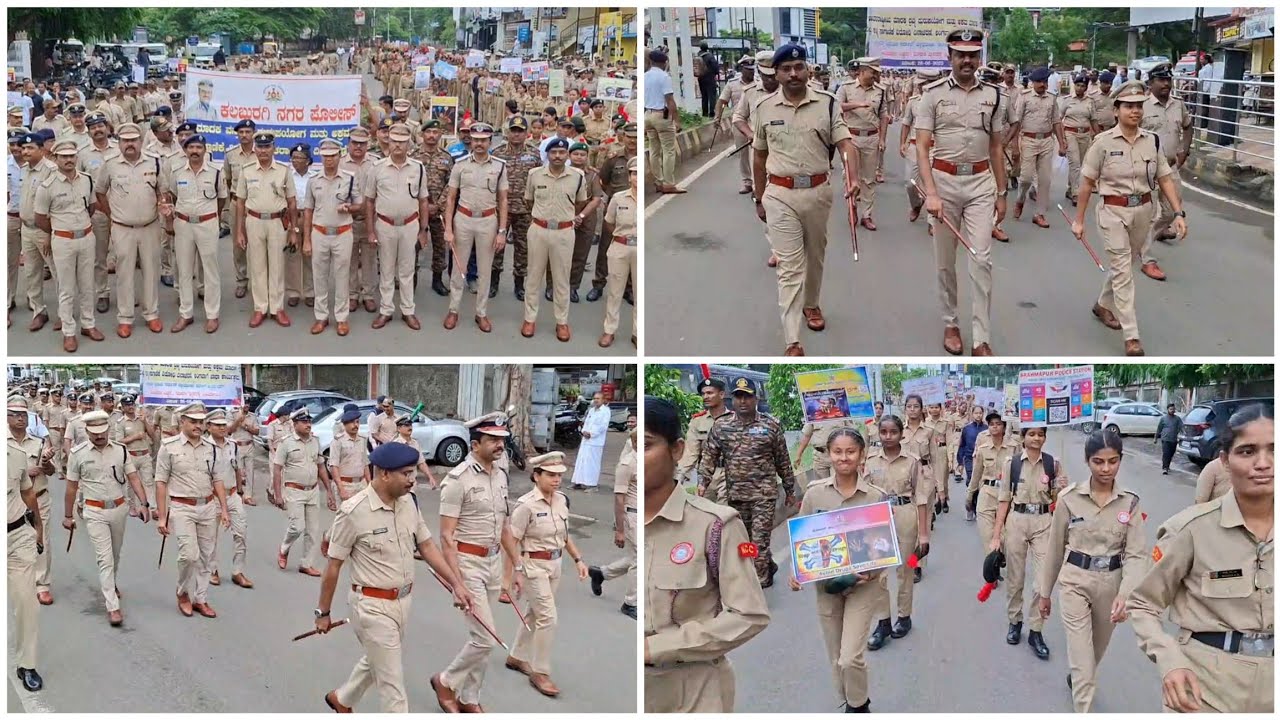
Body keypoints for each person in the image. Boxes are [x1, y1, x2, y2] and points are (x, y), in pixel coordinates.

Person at [1127, 404, 1273, 713]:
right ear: (1224, 460)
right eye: (1247, 451)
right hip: (1204, 690)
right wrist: (1169, 660)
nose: (1263, 463)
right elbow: (1142, 603)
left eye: (1274, 450)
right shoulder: (1190, 530)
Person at [316, 442, 474, 713]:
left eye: (414, 472)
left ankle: (342, 699)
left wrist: (456, 584)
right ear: (384, 474)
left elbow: (427, 546)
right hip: (371, 607)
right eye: (406, 473)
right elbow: (333, 567)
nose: (413, 479)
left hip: (402, 603)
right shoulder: (354, 512)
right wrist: (323, 612)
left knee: (377, 659)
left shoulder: (408, 502)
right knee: (393, 687)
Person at [644, 396, 770, 712]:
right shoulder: (716, 427)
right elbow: (709, 457)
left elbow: (749, 615)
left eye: (644, 446)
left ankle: (764, 570)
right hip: (726, 491)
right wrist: (702, 483)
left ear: (675, 449)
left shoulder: (715, 525)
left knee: (757, 544)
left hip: (692, 691)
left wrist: (655, 647)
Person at [752, 44, 857, 357]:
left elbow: (846, 144)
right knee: (789, 266)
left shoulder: (827, 103)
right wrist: (759, 197)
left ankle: (812, 304)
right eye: (786, 69)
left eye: (799, 67)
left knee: (815, 255)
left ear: (808, 70)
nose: (793, 74)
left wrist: (852, 178)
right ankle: (792, 339)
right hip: (779, 194)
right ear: (777, 73)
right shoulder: (764, 107)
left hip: (817, 191)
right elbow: (759, 157)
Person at [1072, 79, 1188, 357]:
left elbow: (1165, 177)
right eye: (1128, 106)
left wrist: (1178, 212)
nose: (1135, 111)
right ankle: (1131, 335)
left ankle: (1102, 304)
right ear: (1116, 110)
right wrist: (1079, 220)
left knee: (1125, 263)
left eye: (1138, 106)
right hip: (1112, 212)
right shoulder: (1102, 143)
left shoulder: (1152, 141)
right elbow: (1086, 184)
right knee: (1124, 271)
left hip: (1143, 212)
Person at [1037, 430, 1149, 712]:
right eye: (1098, 461)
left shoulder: (1130, 503)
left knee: (1094, 653)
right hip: (1074, 582)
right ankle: (1083, 700)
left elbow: (1136, 554)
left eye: (1113, 461)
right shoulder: (1069, 499)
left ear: (1120, 460)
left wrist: (1126, 594)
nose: (1106, 469)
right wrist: (1044, 593)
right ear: (1087, 461)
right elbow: (1054, 550)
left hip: (1111, 586)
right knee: (1082, 660)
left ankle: (1079, 677)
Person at [915, 27, 1008, 356]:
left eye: (972, 55)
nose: (967, 60)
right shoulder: (932, 95)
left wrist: (1001, 192)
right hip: (944, 183)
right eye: (960, 55)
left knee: (981, 259)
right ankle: (951, 322)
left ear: (979, 57)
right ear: (950, 57)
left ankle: (981, 338)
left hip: (981, 182)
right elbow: (922, 146)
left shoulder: (995, 96)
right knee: (945, 262)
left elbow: (996, 147)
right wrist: (931, 193)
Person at [790, 428, 886, 712]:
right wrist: (796, 570)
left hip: (863, 586)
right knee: (835, 657)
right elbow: (801, 538)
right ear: (829, 454)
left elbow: (883, 546)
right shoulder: (814, 494)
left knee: (850, 657)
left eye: (850, 452)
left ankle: (858, 706)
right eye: (838, 452)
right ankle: (850, 701)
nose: (844, 458)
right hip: (826, 587)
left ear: (862, 455)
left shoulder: (875, 496)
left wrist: (871, 570)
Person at [432, 413, 521, 713]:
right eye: (492, 440)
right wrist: (456, 582)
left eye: (502, 440)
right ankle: (445, 681)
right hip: (468, 562)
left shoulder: (500, 475)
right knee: (486, 637)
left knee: (483, 634)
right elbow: (446, 536)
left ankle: (470, 698)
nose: (500, 445)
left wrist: (517, 566)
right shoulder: (457, 480)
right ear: (475, 444)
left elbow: (505, 527)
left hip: (493, 561)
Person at [698, 376, 798, 587]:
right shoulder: (721, 426)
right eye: (738, 397)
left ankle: (758, 583)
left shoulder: (770, 425)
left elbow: (782, 460)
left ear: (756, 399)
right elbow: (709, 456)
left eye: (747, 397)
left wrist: (790, 490)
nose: (742, 401)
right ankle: (766, 565)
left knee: (759, 540)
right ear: (732, 399)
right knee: (743, 540)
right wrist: (702, 482)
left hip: (764, 495)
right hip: (736, 495)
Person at [505, 451, 589, 697]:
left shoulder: (561, 500)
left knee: (535, 613)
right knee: (548, 618)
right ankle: (540, 671)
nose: (556, 480)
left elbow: (565, 535)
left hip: (555, 565)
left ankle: (517, 656)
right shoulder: (526, 506)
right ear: (536, 476)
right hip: (533, 566)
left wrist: (578, 559)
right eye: (551, 475)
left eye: (559, 475)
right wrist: (511, 576)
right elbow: (511, 541)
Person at [989, 426, 1067, 659]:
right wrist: (996, 536)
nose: (1036, 438)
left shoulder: (1053, 464)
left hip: (1044, 522)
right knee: (1015, 578)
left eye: (1040, 434)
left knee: (1042, 582)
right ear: (1023, 438)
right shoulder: (1012, 464)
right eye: (1031, 434)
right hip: (1017, 520)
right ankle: (1015, 621)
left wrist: (1061, 488)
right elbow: (1004, 500)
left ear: (1045, 438)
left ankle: (1036, 630)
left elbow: (1057, 501)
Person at [155, 402, 231, 618]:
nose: (198, 426)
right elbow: (161, 482)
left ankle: (201, 598)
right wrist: (162, 517)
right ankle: (182, 592)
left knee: (207, 555)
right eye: (193, 421)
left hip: (207, 506)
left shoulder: (211, 448)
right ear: (182, 422)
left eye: (201, 422)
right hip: (182, 507)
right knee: (189, 555)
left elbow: (217, 480)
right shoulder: (168, 447)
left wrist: (224, 510)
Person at [863, 415, 929, 649]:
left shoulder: (912, 461)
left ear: (901, 434)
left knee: (906, 569)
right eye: (884, 432)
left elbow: (921, 497)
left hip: (905, 516)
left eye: (893, 432)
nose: (888, 436)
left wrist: (924, 535)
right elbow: (864, 492)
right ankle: (883, 622)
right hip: (878, 517)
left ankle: (904, 616)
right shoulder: (870, 460)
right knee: (877, 572)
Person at [35, 139, 99, 353]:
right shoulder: (47, 186)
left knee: (87, 285)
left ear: (76, 157)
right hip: (63, 240)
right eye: (64, 156)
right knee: (66, 288)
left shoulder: (86, 180)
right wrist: (59, 231)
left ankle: (88, 324)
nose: (69, 160)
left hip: (86, 237)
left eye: (72, 156)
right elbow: (40, 219)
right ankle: (69, 331)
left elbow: (91, 207)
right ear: (56, 159)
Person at [442, 122, 506, 334]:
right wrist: (448, 229)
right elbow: (451, 198)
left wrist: (502, 231)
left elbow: (503, 200)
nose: (479, 144)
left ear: (490, 141)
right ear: (471, 140)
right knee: (459, 268)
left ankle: (481, 313)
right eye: (476, 140)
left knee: (485, 270)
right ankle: (453, 310)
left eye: (483, 140)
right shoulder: (460, 165)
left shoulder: (499, 166)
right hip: (463, 219)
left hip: (488, 220)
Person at [520, 137, 586, 341]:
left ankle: (562, 322)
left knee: (561, 279)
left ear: (567, 155)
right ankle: (530, 319)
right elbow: (528, 200)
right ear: (547, 154)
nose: (557, 156)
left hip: (564, 232)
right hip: (539, 230)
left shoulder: (577, 176)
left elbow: (580, 202)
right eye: (553, 152)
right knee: (533, 276)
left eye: (562, 152)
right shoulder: (534, 175)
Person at [160, 133, 225, 334]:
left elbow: (222, 198)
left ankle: (212, 315)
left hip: (207, 224)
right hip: (183, 225)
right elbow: (172, 195)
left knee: (211, 271)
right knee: (184, 270)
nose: (195, 151)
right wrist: (171, 220)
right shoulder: (177, 172)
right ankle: (186, 313)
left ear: (205, 150)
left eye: (198, 147)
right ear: (185, 150)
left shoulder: (216, 172)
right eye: (191, 148)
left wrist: (211, 216)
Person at [8, 395, 51, 691]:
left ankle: (27, 664)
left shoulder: (16, 453)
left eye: (23, 414)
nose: (20, 418)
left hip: (16, 535)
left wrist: (37, 529)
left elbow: (27, 492)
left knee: (26, 602)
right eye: (14, 413)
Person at [1138, 63, 1194, 282]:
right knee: (1150, 213)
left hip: (1170, 167)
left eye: (1168, 80)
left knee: (1172, 212)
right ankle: (1147, 258)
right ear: (1151, 83)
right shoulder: (1141, 105)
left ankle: (1146, 239)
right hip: (1147, 168)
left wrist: (1184, 151)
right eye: (1161, 80)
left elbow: (1188, 126)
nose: (1166, 84)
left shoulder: (1178, 105)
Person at [236, 131, 297, 329]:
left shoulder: (283, 171)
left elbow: (292, 201)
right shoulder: (246, 170)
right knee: (257, 266)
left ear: (274, 148)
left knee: (277, 265)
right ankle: (260, 308)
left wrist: (294, 230)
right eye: (260, 147)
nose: (263, 150)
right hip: (254, 221)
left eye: (267, 146)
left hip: (277, 222)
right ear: (255, 149)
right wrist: (239, 231)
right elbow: (240, 202)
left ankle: (277, 308)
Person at [302, 137, 362, 337]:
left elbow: (359, 205)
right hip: (319, 232)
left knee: (342, 276)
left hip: (342, 233)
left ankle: (342, 318)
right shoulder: (313, 180)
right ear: (320, 156)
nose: (329, 159)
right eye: (325, 156)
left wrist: (349, 208)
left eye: (333, 155)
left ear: (339, 155)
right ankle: (321, 316)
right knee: (319, 276)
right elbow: (308, 210)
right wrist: (307, 239)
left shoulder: (349, 178)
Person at [273, 407, 337, 576]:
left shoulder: (315, 441)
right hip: (294, 490)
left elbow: (321, 466)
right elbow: (277, 469)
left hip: (313, 490)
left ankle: (306, 564)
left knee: (313, 530)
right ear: (295, 424)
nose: (308, 424)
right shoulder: (286, 443)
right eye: (304, 422)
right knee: (297, 527)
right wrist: (278, 495)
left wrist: (329, 491)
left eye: (309, 421)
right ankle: (284, 548)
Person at [590, 412, 637, 618]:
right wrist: (619, 529)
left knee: (638, 557)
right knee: (640, 560)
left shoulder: (645, 461)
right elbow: (619, 498)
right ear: (635, 442)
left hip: (645, 514)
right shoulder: (627, 464)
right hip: (631, 515)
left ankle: (602, 573)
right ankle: (631, 603)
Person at [489, 116, 538, 301]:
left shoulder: (534, 154)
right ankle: (494, 282)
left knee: (523, 249)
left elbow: (538, 181)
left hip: (525, 210)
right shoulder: (497, 153)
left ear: (526, 133)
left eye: (520, 131)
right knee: (496, 247)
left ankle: (519, 284)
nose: (516, 134)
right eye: (514, 130)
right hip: (501, 209)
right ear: (508, 132)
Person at [836, 57, 888, 231]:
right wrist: (857, 104)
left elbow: (884, 116)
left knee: (869, 179)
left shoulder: (880, 91)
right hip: (850, 137)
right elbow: (837, 107)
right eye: (873, 72)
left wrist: (882, 139)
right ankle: (852, 207)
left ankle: (867, 215)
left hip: (871, 137)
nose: (875, 76)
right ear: (863, 71)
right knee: (850, 175)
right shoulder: (846, 88)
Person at [1011, 67, 1065, 229]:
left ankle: (1039, 214)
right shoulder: (1024, 97)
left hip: (1047, 141)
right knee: (1026, 178)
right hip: (1028, 140)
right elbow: (1016, 123)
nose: (1043, 85)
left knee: (1045, 180)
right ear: (1033, 83)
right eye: (1039, 82)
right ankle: (1020, 200)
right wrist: (1015, 146)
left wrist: (1062, 143)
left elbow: (1056, 122)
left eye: (1045, 81)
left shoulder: (1052, 98)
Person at [204, 410, 251, 589]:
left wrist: (240, 492)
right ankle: (212, 569)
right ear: (208, 427)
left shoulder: (233, 445)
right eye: (217, 425)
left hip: (232, 495)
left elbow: (237, 469)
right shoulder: (204, 447)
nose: (222, 428)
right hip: (212, 498)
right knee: (211, 536)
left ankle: (238, 571)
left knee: (241, 533)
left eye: (224, 424)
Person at [598, 155, 637, 347]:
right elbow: (609, 222)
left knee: (639, 294)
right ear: (629, 177)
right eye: (634, 173)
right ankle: (609, 330)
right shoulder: (618, 198)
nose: (637, 177)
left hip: (640, 249)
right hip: (620, 247)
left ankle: (637, 332)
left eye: (640, 173)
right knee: (615, 292)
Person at [674, 378, 731, 501]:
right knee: (704, 509)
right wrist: (679, 476)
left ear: (721, 394)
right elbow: (691, 452)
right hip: (705, 475)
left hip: (729, 473)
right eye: (703, 394)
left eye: (710, 393)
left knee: (724, 510)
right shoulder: (698, 421)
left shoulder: (734, 420)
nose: (705, 397)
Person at [966, 411, 1017, 545]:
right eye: (991, 424)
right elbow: (976, 475)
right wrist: (970, 495)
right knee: (987, 533)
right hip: (987, 492)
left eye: (998, 424)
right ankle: (992, 555)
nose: (994, 426)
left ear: (1004, 427)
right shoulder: (983, 449)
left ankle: (1001, 552)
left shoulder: (1013, 448)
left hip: (1007, 493)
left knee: (1005, 535)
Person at [644, 49, 683, 194]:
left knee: (654, 150)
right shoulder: (664, 77)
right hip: (661, 115)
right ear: (664, 63)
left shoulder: (644, 76)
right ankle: (669, 184)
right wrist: (677, 120)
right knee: (668, 151)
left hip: (648, 115)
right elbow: (670, 100)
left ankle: (658, 181)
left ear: (651, 61)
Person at [716, 56, 756, 195]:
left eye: (752, 69)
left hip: (756, 121)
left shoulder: (759, 83)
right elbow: (722, 102)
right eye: (748, 70)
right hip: (739, 122)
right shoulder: (732, 84)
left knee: (758, 152)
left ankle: (758, 181)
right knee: (743, 153)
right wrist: (718, 116)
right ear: (742, 69)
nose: (751, 72)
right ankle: (747, 181)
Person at [1062, 74, 1100, 206]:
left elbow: (1093, 119)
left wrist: (1098, 135)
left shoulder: (1090, 101)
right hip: (1070, 133)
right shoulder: (1067, 100)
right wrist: (1062, 138)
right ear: (1074, 86)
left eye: (1082, 86)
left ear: (1086, 87)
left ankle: (1069, 188)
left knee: (1080, 163)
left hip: (1085, 135)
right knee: (1075, 163)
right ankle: (1075, 193)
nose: (1080, 88)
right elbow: (1059, 119)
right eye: (1078, 85)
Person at [328, 406, 371, 501]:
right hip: (345, 485)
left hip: (361, 484)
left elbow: (365, 463)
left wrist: (369, 484)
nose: (355, 425)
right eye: (352, 422)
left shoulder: (363, 439)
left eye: (357, 422)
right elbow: (334, 466)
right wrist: (341, 489)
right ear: (344, 425)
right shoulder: (338, 441)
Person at [571, 392, 611, 491]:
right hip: (585, 440)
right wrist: (584, 431)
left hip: (595, 442)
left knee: (592, 463)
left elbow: (603, 426)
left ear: (603, 400)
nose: (596, 400)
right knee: (581, 462)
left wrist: (591, 434)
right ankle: (578, 482)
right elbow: (586, 422)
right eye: (595, 398)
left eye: (598, 398)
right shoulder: (592, 410)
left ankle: (592, 485)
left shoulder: (605, 411)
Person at [391, 415, 439, 489]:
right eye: (406, 425)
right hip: (399, 484)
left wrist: (430, 477)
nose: (410, 427)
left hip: (412, 483)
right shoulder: (395, 445)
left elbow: (421, 463)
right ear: (399, 428)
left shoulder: (415, 443)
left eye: (410, 425)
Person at [1155, 404, 1184, 474]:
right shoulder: (1163, 418)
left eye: (1173, 409)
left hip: (1173, 439)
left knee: (1171, 454)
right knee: (1166, 453)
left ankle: (1167, 465)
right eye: (1171, 409)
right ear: (1168, 409)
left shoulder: (1177, 419)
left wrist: (1183, 436)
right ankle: (1165, 468)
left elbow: (1182, 428)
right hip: (1165, 439)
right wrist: (1155, 438)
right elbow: (1159, 429)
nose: (1172, 410)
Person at [696, 41, 720, 117]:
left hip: (701, 78)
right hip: (710, 78)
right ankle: (712, 112)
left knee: (704, 96)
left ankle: (705, 113)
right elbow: (715, 67)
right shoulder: (710, 56)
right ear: (707, 47)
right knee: (712, 95)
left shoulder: (698, 56)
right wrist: (715, 73)